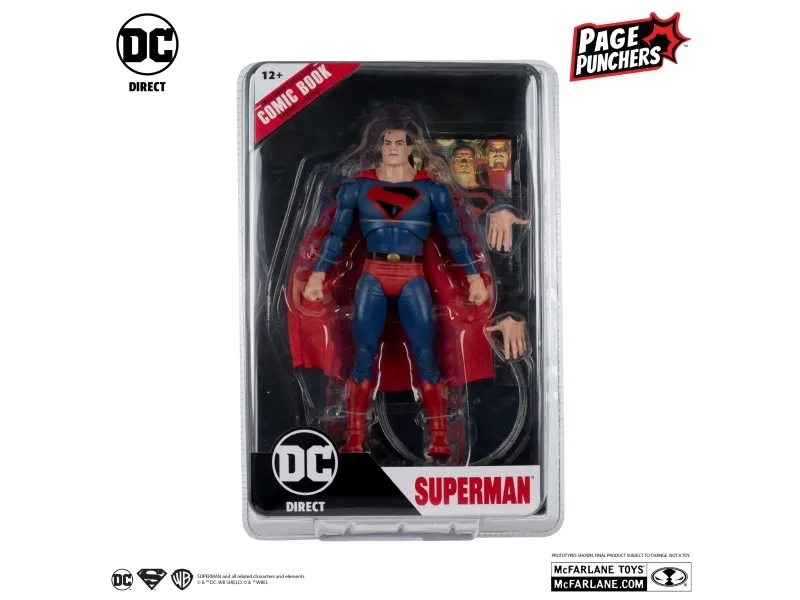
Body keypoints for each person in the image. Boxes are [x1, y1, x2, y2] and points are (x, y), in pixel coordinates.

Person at [302, 128, 488, 460]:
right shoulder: (358, 188)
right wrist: (317, 276)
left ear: (410, 148)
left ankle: (440, 439)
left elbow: (456, 238)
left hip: (412, 276)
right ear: (379, 147)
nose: (392, 148)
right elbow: (336, 235)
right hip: (372, 275)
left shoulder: (432, 191)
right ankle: (355, 440)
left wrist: (474, 278)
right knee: (362, 355)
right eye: (387, 143)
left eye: (399, 143)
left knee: (425, 356)